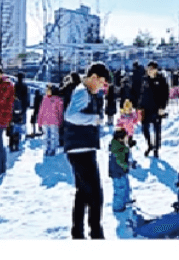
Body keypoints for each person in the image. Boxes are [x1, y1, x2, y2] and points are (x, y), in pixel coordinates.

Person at [63, 63, 111, 239]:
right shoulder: (82, 92)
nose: (102, 87)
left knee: (83, 192)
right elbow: (70, 115)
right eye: (102, 82)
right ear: (94, 77)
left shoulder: (87, 92)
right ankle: (96, 234)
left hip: (81, 147)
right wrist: (94, 119)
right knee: (95, 194)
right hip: (80, 148)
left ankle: (78, 232)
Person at [138, 62, 170, 157]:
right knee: (144, 129)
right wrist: (139, 106)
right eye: (148, 69)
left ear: (156, 69)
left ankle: (156, 148)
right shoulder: (144, 79)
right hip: (145, 108)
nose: (149, 71)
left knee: (157, 129)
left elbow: (165, 94)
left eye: (151, 69)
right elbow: (141, 93)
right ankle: (149, 145)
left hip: (157, 108)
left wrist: (163, 107)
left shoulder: (161, 79)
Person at [108, 128, 137, 212]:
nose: (126, 139)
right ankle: (117, 206)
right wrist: (128, 165)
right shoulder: (118, 148)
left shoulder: (121, 146)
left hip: (121, 172)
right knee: (120, 189)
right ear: (120, 138)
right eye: (125, 137)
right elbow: (120, 161)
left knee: (126, 186)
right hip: (118, 172)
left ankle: (126, 200)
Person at [37, 85, 65, 156]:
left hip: (48, 121)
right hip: (52, 121)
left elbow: (41, 111)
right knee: (51, 136)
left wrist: (39, 121)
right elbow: (60, 112)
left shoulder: (46, 99)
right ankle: (50, 149)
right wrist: (60, 121)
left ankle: (49, 149)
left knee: (48, 136)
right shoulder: (57, 100)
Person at [10, 72, 30, 152]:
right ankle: (18, 143)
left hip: (14, 108)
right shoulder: (25, 86)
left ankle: (12, 143)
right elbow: (26, 99)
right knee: (20, 126)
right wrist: (25, 108)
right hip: (22, 108)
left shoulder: (14, 86)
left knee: (14, 126)